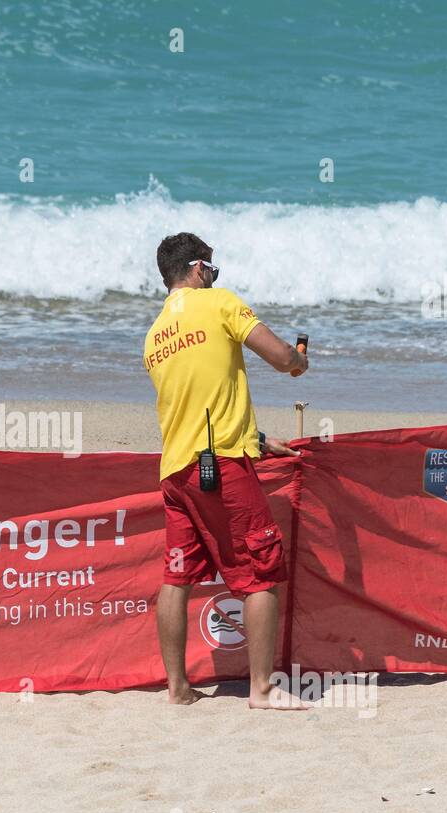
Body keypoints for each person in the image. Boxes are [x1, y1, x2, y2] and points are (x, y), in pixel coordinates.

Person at [143, 232, 309, 708]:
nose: (214, 278)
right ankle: (262, 688)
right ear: (197, 269)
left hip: (176, 473)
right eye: (212, 271)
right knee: (263, 568)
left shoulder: (153, 337)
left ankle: (177, 688)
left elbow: (195, 403)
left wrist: (255, 439)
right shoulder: (218, 305)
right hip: (219, 469)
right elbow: (280, 358)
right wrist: (299, 361)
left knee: (177, 575)